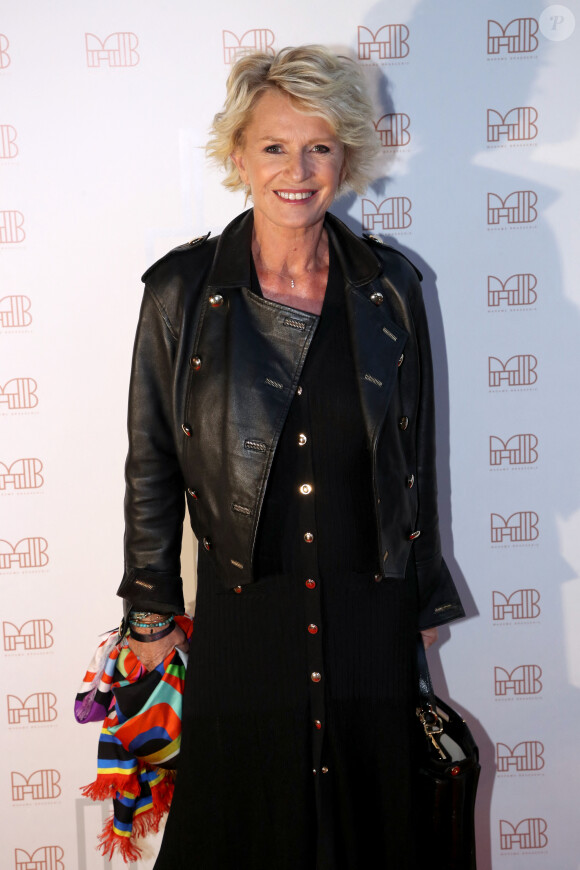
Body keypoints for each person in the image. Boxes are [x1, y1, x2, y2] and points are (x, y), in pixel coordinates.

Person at [117, 45, 465, 870]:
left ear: (347, 155)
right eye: (275, 146)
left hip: (366, 608)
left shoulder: (390, 287)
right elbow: (152, 458)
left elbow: (416, 456)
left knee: (376, 831)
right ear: (238, 156)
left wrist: (418, 600)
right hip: (247, 609)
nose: (298, 170)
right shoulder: (182, 291)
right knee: (239, 827)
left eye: (320, 146)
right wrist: (151, 606)